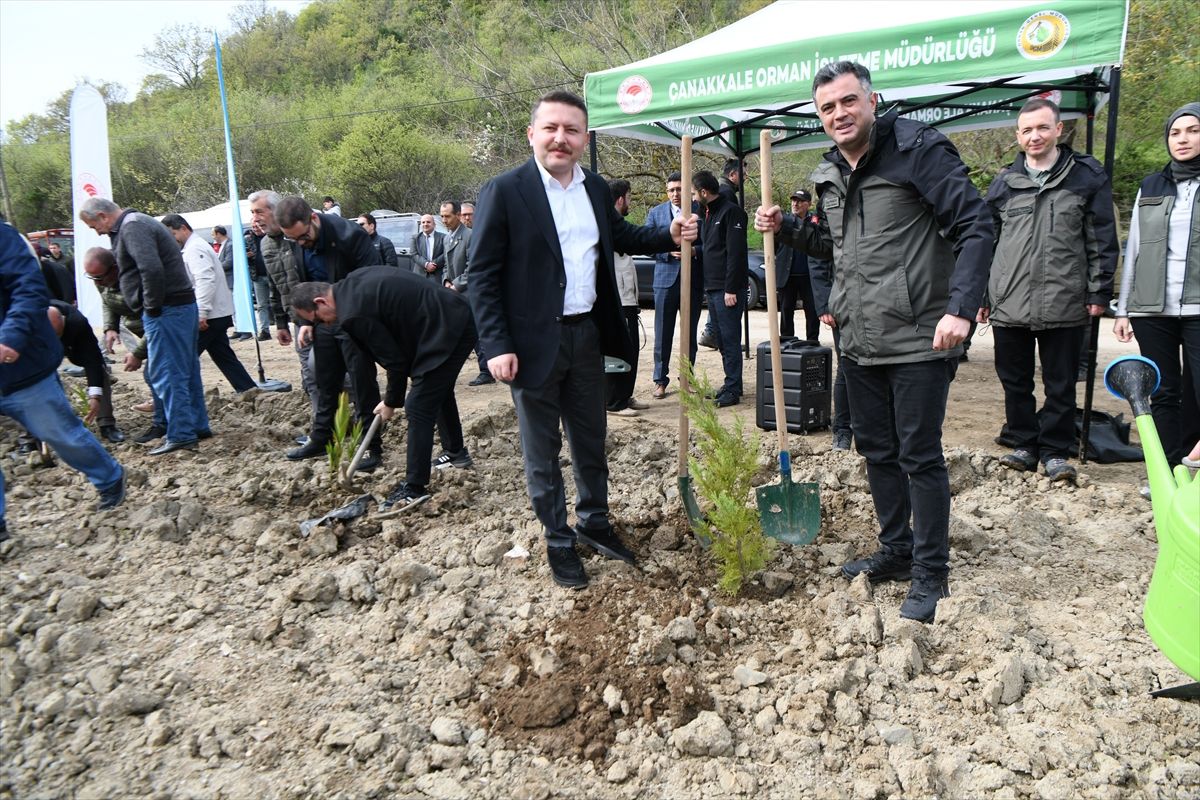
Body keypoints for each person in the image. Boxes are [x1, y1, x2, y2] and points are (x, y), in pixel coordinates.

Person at [754, 61, 993, 623]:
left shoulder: (918, 151)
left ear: (872, 100)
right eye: (827, 108)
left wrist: (961, 307)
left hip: (919, 337)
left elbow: (976, 224)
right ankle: (897, 549)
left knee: (920, 456)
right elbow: (839, 249)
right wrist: (787, 230)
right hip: (859, 337)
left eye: (848, 101)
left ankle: (931, 572)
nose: (839, 114)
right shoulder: (831, 171)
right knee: (877, 451)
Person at [469, 90, 696, 589]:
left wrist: (670, 233)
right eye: (551, 128)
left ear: (584, 138)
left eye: (571, 130)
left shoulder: (593, 187)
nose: (561, 138)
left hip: (587, 336)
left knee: (591, 439)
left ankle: (594, 521)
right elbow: (481, 275)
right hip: (531, 345)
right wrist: (496, 345)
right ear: (531, 134)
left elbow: (623, 236)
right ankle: (558, 539)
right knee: (543, 449)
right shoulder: (504, 191)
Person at [980, 98, 1118, 483]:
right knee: (1015, 382)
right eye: (1027, 130)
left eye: (1042, 127)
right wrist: (981, 296)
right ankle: (1024, 444)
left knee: (1060, 385)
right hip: (1009, 302)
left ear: (1058, 129)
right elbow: (985, 243)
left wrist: (1099, 292)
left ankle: (1056, 451)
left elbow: (1101, 239)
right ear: (1018, 136)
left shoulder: (1085, 178)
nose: (1034, 136)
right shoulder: (1004, 183)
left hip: (1065, 300)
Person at [291, 269, 477, 512]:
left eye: (317, 319)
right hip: (444, 319)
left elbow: (395, 362)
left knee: (418, 405)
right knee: (435, 390)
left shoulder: (353, 313)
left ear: (321, 301)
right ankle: (455, 453)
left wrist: (391, 401)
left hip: (449, 325)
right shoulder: (349, 285)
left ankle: (414, 488)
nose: (323, 324)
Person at [1, 223, 125, 543]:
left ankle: (109, 477)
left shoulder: (5, 239)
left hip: (21, 366)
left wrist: (11, 337)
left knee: (61, 434)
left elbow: (28, 289)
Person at [79, 198, 210, 455]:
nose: (98, 232)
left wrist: (151, 307)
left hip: (167, 308)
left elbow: (150, 268)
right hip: (177, 306)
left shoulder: (132, 227)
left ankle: (182, 434)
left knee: (167, 373)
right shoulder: (137, 223)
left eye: (95, 226)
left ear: (103, 216)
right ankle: (196, 425)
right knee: (185, 370)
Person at [1114, 102, 1200, 468]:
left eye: (1193, 130)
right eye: (1175, 132)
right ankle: (1167, 472)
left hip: (1198, 307)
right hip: (1152, 309)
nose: (1182, 139)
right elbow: (1134, 247)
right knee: (1163, 392)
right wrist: (1123, 309)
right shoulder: (1151, 185)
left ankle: (1194, 471)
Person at [276, 195, 384, 471]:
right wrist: (306, 321)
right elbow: (303, 284)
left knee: (362, 383)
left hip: (353, 318)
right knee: (325, 381)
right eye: (294, 239)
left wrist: (355, 320)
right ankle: (321, 438)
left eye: (303, 236)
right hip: (322, 320)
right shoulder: (298, 240)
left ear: (313, 218)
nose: (301, 243)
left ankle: (371, 446)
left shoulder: (350, 236)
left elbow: (372, 279)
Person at [161, 214, 258, 395]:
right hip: (214, 314)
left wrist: (201, 312)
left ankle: (166, 396)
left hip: (209, 316)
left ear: (183, 228)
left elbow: (205, 280)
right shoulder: (194, 247)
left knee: (183, 357)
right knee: (223, 356)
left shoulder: (195, 249)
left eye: (173, 234)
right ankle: (248, 389)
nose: (172, 240)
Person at [84, 247, 158, 436]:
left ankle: (168, 422)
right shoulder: (103, 280)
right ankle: (164, 413)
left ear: (114, 268)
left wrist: (137, 354)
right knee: (156, 374)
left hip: (160, 328)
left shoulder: (138, 279)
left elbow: (157, 322)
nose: (98, 282)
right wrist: (110, 327)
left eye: (100, 277)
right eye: (93, 278)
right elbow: (106, 300)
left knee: (156, 374)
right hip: (142, 329)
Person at [647, 172, 703, 400]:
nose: (675, 194)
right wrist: (666, 251)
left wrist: (695, 251)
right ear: (666, 191)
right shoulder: (656, 213)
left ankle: (687, 379)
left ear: (687, 189)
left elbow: (710, 243)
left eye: (679, 189)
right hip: (665, 280)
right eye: (671, 190)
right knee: (662, 332)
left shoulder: (699, 210)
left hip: (693, 279)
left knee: (689, 332)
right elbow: (647, 245)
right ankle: (660, 380)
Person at [695, 169, 747, 407]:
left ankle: (733, 389)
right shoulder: (707, 212)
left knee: (730, 339)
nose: (693, 198)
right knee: (722, 341)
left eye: (694, 194)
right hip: (712, 286)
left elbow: (736, 254)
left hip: (727, 290)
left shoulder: (731, 212)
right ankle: (731, 383)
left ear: (704, 192)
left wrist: (731, 289)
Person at [48, 300, 125, 442]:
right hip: (36, 349)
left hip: (75, 347)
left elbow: (93, 362)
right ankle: (32, 434)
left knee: (100, 372)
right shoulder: (26, 321)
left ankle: (107, 424)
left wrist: (94, 397)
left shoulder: (78, 323)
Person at [605, 179, 648, 417]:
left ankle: (624, 395)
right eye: (629, 197)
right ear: (621, 199)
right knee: (619, 351)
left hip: (628, 299)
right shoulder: (609, 225)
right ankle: (614, 402)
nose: (630, 202)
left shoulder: (617, 224)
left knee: (631, 350)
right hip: (618, 300)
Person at [778, 189, 820, 342]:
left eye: (800, 201)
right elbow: (775, 246)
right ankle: (787, 342)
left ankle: (812, 342)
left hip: (809, 275)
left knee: (812, 311)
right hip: (787, 275)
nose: (795, 204)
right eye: (794, 200)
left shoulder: (816, 221)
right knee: (786, 310)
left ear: (808, 204)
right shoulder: (785, 222)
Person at [441, 201, 471, 291]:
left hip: (467, 292)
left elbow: (473, 266)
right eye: (442, 216)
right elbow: (446, 264)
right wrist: (446, 280)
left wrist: (457, 285)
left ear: (458, 215)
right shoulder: (446, 238)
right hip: (451, 291)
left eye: (447, 216)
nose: (444, 220)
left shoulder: (470, 236)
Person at [410, 214, 446, 282]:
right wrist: (426, 264)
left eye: (428, 222)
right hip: (419, 275)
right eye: (423, 222)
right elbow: (413, 254)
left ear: (434, 224)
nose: (425, 224)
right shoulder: (415, 238)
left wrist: (433, 264)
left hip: (438, 275)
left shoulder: (443, 237)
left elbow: (446, 253)